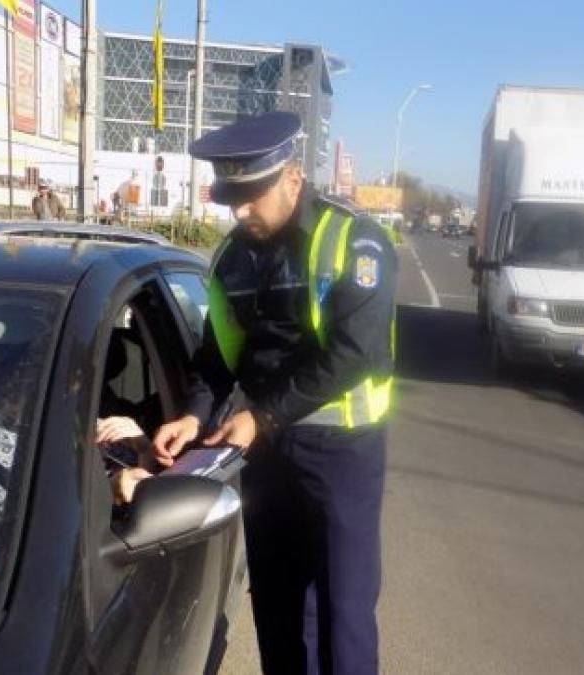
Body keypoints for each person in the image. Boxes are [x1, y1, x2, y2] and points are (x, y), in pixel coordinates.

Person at [151, 111, 397, 675]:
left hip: (342, 451)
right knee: (278, 600)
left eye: (251, 197)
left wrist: (261, 417)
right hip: (264, 449)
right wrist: (193, 416)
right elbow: (219, 355)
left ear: (290, 178)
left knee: (343, 609)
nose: (239, 212)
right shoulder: (234, 257)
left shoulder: (353, 241)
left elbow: (357, 354)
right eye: (230, 197)